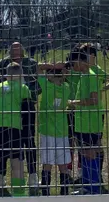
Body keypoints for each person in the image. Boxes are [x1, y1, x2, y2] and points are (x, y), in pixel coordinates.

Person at [0, 42, 40, 192]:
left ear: (23, 50)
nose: (16, 51)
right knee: (4, 141)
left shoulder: (31, 63)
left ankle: (32, 176)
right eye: (13, 48)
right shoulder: (2, 64)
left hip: (27, 107)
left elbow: (38, 86)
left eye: (18, 48)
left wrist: (27, 92)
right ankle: (0, 177)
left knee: (29, 141)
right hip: (7, 108)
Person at [0, 63, 32, 197]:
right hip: (14, 128)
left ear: (6, 74)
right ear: (21, 75)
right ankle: (19, 194)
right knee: (16, 162)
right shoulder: (23, 88)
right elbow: (28, 111)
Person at [68, 50, 107, 195]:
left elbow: (94, 100)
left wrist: (74, 102)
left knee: (90, 153)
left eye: (73, 63)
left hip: (90, 123)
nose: (72, 66)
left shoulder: (91, 76)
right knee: (84, 153)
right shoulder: (83, 76)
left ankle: (93, 187)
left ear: (80, 61)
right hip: (83, 123)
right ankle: (87, 185)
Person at [36, 62, 74, 196]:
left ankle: (45, 191)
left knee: (47, 163)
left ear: (51, 76)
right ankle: (64, 191)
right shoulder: (66, 88)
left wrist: (52, 65)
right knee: (63, 164)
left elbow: (38, 67)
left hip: (47, 131)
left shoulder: (47, 86)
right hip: (62, 131)